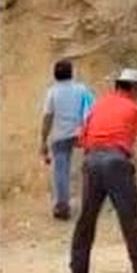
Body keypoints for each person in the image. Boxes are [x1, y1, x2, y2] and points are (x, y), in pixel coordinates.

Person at [69, 68, 137, 273]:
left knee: (85, 222)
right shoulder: (136, 109)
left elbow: (81, 139)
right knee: (131, 223)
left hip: (92, 162)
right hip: (117, 163)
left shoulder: (98, 106)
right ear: (134, 88)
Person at [39, 59, 95, 220]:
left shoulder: (52, 92)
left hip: (60, 136)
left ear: (55, 75)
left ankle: (62, 205)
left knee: (61, 171)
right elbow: (92, 109)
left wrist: (43, 140)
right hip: (80, 134)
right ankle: (93, 200)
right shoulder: (81, 89)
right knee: (90, 166)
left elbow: (47, 117)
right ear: (71, 73)